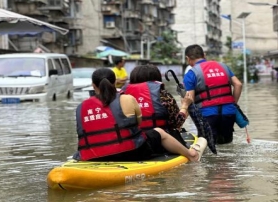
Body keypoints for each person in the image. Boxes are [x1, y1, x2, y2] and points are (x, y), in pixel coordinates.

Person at [72, 68, 206, 162]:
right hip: (130, 152)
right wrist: (185, 106)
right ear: (114, 83)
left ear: (93, 85)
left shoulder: (81, 107)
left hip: (92, 155)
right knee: (158, 131)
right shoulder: (127, 98)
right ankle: (191, 155)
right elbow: (138, 123)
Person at [183, 44, 243, 144]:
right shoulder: (223, 66)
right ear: (204, 55)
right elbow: (238, 84)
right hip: (229, 112)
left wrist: (182, 117)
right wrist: (232, 103)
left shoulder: (191, 73)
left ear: (187, 58)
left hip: (207, 115)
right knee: (227, 145)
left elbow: (190, 100)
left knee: (208, 148)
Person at [121, 64, 193, 146]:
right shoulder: (163, 95)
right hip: (160, 142)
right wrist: (185, 105)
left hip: (132, 142)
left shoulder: (122, 96)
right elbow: (177, 123)